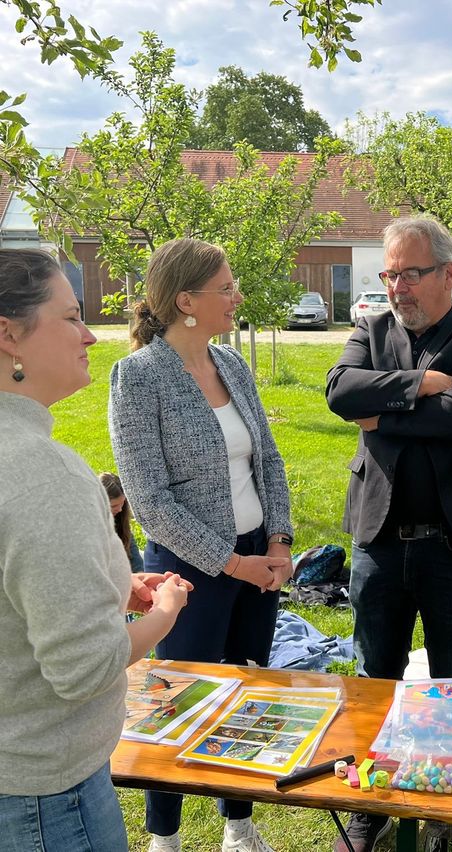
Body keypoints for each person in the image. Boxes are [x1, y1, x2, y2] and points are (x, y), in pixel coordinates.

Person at [326, 215, 452, 852]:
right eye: (390, 274)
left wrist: (383, 415)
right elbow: (340, 392)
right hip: (379, 538)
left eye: (411, 273)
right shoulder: (370, 329)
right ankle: (370, 803)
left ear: (448, 274)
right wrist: (419, 386)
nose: (397, 287)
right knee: (371, 675)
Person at [0, 248, 190, 852]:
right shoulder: (41, 473)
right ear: (8, 335)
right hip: (45, 798)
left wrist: (110, 586)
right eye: (70, 317)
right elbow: (84, 669)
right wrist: (164, 614)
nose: (88, 335)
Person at [108, 238, 294, 852]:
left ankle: (238, 825)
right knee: (178, 702)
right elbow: (150, 501)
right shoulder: (139, 376)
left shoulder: (231, 364)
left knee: (246, 694)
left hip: (258, 560)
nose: (237, 296)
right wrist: (234, 564)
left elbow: (268, 459)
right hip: (188, 572)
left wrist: (278, 543)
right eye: (227, 288)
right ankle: (164, 836)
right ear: (186, 301)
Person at [100, 472, 144, 572]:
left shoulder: (120, 518)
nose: (120, 509)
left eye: (122, 504)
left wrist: (140, 574)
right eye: (114, 506)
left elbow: (133, 555)